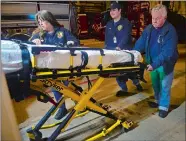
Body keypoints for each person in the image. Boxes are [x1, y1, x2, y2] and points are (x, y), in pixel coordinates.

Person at [29, 10, 80, 120]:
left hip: (64, 66)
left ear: (49, 19)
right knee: (55, 87)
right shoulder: (39, 34)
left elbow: (74, 41)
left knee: (65, 87)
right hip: (50, 67)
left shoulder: (62, 31)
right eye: (39, 21)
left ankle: (78, 99)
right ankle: (62, 108)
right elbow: (30, 43)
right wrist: (34, 42)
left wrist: (70, 44)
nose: (41, 23)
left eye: (42, 21)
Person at [134, 4, 179, 118]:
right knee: (155, 84)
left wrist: (154, 64)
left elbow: (167, 53)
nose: (154, 20)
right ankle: (158, 101)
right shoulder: (149, 28)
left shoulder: (170, 31)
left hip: (164, 64)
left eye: (157, 18)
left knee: (164, 85)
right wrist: (133, 53)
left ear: (164, 17)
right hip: (152, 63)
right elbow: (141, 42)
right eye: (153, 18)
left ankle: (164, 107)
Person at [104, 2, 143, 96]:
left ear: (119, 11)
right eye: (111, 10)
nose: (112, 12)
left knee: (130, 71)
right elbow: (107, 38)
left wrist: (119, 47)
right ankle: (124, 89)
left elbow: (126, 36)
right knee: (117, 72)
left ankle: (137, 83)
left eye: (114, 10)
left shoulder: (126, 23)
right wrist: (106, 49)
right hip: (114, 52)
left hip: (125, 51)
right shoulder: (109, 24)